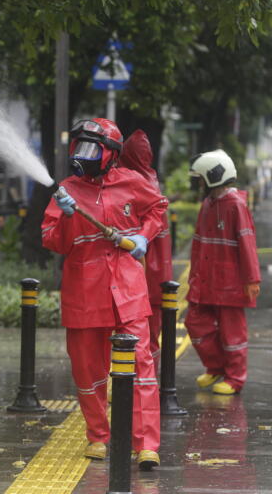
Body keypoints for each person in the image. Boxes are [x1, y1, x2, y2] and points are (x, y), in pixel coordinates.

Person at [41, 118, 166, 470]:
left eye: (91, 149)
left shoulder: (132, 182)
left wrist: (144, 236)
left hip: (127, 288)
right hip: (84, 290)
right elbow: (52, 240)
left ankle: (146, 444)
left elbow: (158, 208)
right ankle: (97, 435)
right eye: (79, 147)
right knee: (87, 368)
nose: (83, 156)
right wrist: (66, 217)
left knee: (141, 365)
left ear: (111, 154)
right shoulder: (66, 191)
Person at [185, 149, 260, 395]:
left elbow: (247, 243)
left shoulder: (236, 205)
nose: (199, 184)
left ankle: (235, 378)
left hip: (230, 282)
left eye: (201, 179)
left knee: (232, 332)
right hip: (206, 280)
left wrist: (252, 279)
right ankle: (216, 367)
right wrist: (193, 277)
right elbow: (198, 243)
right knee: (195, 322)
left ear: (213, 176)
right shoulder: (208, 204)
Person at [118, 129, 173, 366]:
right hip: (156, 276)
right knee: (149, 336)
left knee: (141, 338)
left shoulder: (134, 186)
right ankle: (145, 380)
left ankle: (140, 381)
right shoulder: (151, 182)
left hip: (143, 276)